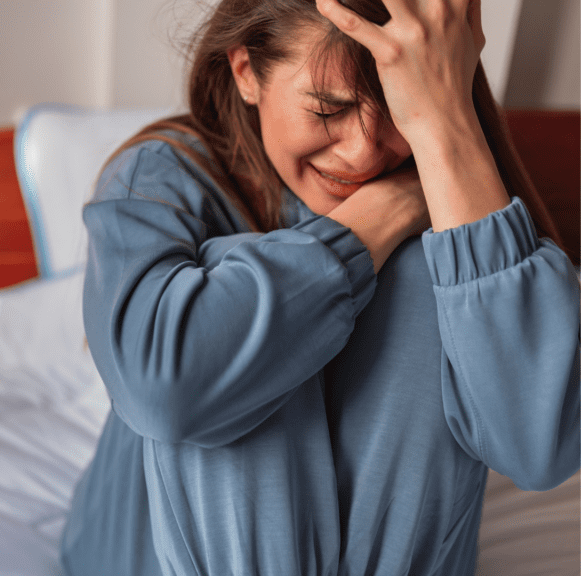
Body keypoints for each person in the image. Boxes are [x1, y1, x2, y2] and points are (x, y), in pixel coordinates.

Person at [59, 0, 580, 574]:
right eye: (329, 109)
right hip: (137, 555)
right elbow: (167, 387)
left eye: (400, 111)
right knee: (221, 315)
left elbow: (539, 448)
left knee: (421, 274)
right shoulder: (162, 177)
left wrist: (443, 126)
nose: (363, 152)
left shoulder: (454, 191)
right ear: (246, 73)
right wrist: (383, 211)